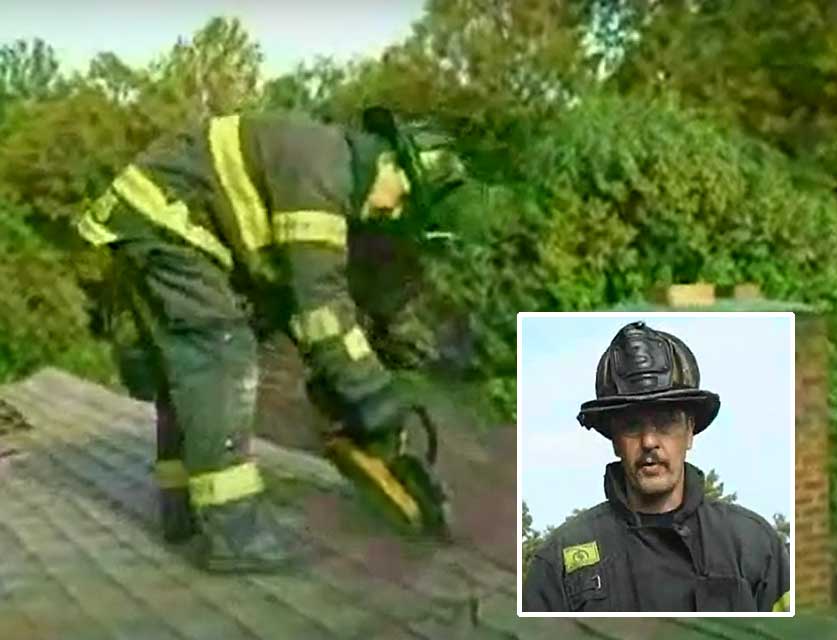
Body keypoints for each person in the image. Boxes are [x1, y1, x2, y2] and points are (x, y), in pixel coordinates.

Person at [75, 106, 465, 573]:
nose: (392, 211)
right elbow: (321, 308)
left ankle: (182, 512)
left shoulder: (327, 164)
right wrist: (371, 394)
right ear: (390, 164)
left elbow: (294, 307)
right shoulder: (325, 175)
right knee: (220, 358)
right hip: (167, 222)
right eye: (401, 198)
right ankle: (236, 534)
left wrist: (337, 385)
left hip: (157, 221)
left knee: (187, 374)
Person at [523, 321, 790, 612]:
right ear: (614, 440)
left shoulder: (754, 547)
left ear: (690, 432)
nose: (649, 441)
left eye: (665, 422)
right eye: (631, 425)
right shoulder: (559, 564)